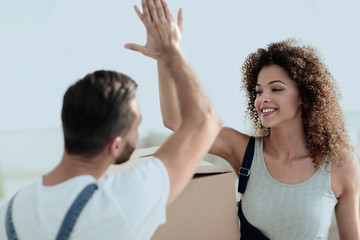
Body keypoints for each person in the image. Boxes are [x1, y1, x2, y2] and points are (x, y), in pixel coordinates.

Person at [0, 0, 222, 239]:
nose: (138, 132)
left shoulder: (10, 210)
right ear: (115, 145)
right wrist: (170, 50)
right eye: (136, 126)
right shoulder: (119, 202)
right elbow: (204, 121)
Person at [157, 21, 360, 239]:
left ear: (304, 96)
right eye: (258, 91)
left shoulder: (340, 165)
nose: (263, 99)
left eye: (276, 89)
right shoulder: (243, 150)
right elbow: (175, 121)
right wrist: (165, 54)